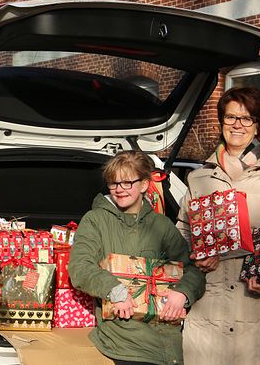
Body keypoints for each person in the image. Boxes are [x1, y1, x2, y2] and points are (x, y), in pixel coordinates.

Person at [176, 87, 260, 365]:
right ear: (221, 121)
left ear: (258, 126)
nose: (238, 125)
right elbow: (182, 235)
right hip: (211, 313)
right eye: (231, 117)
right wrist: (195, 254)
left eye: (247, 118)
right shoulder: (198, 178)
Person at [69, 150, 205, 365]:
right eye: (114, 183)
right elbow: (80, 267)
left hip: (168, 343)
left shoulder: (162, 225)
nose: (119, 190)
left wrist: (182, 293)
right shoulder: (95, 220)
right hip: (121, 343)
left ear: (144, 185)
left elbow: (192, 270)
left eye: (127, 183)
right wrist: (115, 291)